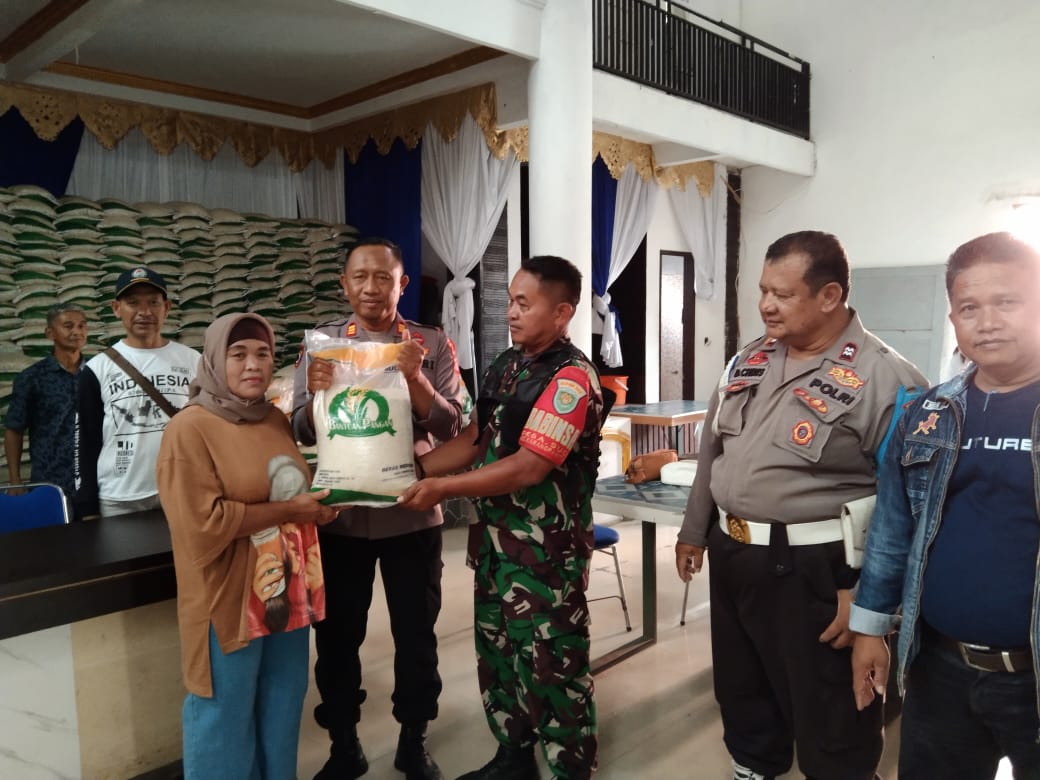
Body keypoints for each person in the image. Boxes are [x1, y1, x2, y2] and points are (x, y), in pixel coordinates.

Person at [673, 230, 925, 780]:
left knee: (831, 712)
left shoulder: (886, 379)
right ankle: (753, 767)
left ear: (830, 296)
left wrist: (870, 602)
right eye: (763, 291)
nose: (766, 305)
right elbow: (713, 449)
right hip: (734, 553)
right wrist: (694, 531)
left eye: (782, 295)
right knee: (743, 690)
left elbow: (910, 509)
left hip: (821, 572)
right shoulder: (750, 357)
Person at [398, 255, 605, 780]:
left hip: (544, 556)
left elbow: (527, 467)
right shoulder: (507, 365)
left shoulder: (571, 379)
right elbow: (475, 439)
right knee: (499, 654)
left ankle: (570, 769)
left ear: (562, 312)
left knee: (552, 666)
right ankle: (514, 757)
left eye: (524, 303)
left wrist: (441, 488)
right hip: (494, 547)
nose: (510, 312)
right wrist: (411, 472)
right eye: (510, 300)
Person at [850, 232, 1040, 779]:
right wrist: (870, 629)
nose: (988, 322)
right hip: (940, 669)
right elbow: (892, 530)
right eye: (969, 308)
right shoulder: (928, 414)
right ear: (953, 318)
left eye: (1007, 302)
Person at [291, 238, 467, 780]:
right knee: (337, 638)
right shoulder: (321, 345)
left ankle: (414, 739)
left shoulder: (430, 343)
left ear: (401, 284)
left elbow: (452, 425)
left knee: (416, 634)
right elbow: (298, 427)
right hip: (340, 519)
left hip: (411, 511)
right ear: (344, 284)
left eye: (383, 278)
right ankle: (344, 743)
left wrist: (415, 377)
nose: (371, 288)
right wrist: (314, 397)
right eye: (360, 277)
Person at [157, 312, 338, 780]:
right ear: (215, 360)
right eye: (237, 354)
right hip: (228, 598)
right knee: (224, 715)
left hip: (285, 595)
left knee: (282, 706)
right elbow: (202, 526)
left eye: (262, 353)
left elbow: (289, 487)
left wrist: (318, 507)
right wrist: (289, 510)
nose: (253, 364)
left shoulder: (274, 419)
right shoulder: (190, 429)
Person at [75, 267, 200, 519]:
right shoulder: (97, 369)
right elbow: (86, 441)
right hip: (120, 498)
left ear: (166, 308)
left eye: (153, 302)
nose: (144, 312)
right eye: (133, 303)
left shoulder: (193, 361)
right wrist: (87, 507)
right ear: (116, 308)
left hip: (184, 490)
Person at [4, 303, 88, 497]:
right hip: (50, 480)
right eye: (68, 326)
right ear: (50, 333)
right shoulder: (32, 378)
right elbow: (14, 430)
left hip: (96, 478)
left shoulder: (98, 372)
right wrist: (15, 480)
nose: (77, 331)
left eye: (82, 325)